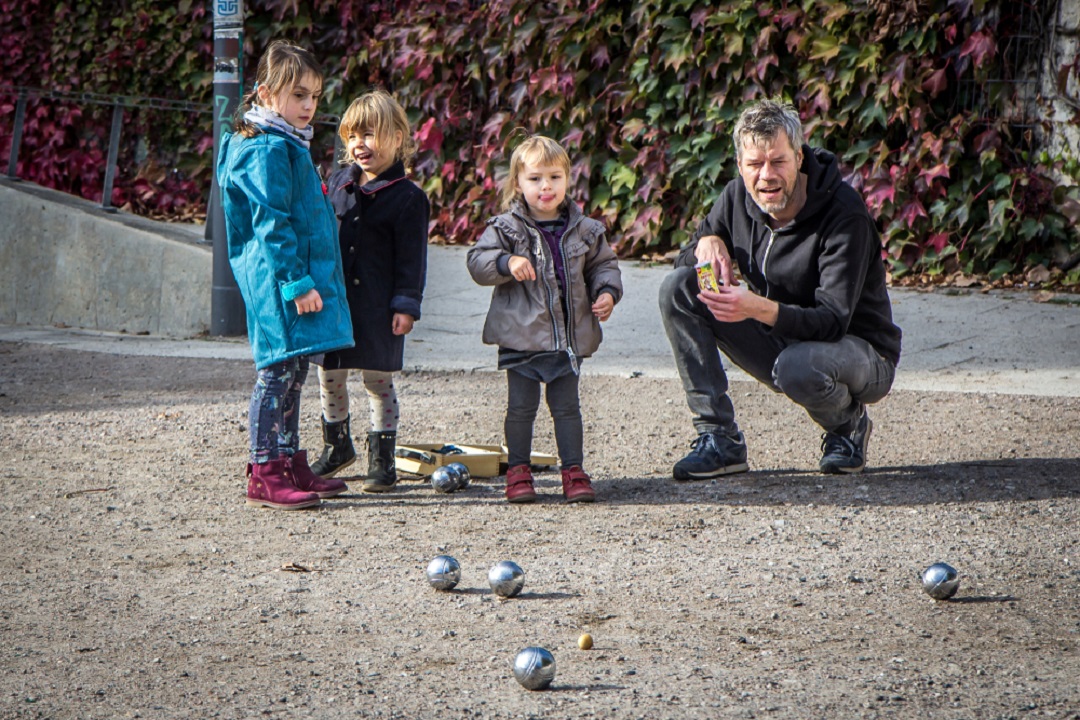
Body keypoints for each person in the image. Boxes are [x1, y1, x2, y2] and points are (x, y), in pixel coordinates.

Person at [658, 98, 902, 479]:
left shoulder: (844, 215)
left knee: (798, 366)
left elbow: (832, 322)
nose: (766, 176)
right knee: (678, 288)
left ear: (800, 158)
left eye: (778, 161)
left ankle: (847, 426)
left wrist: (755, 308)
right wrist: (705, 244)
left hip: (858, 352)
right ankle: (719, 439)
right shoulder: (738, 195)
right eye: (754, 164)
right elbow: (686, 262)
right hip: (781, 334)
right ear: (740, 166)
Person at [217, 40, 354, 510]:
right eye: (299, 95)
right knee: (275, 371)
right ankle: (263, 470)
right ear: (265, 92)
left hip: (290, 277)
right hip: (277, 280)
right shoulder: (264, 148)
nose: (309, 105)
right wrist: (296, 282)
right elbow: (271, 223)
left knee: (294, 368)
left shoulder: (283, 143)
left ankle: (289, 460)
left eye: (314, 96)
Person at [467, 134, 623, 504]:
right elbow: (477, 261)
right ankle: (519, 470)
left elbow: (605, 266)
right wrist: (507, 262)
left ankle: (573, 469)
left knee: (567, 408)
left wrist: (607, 294)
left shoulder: (586, 230)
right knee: (521, 408)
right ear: (518, 183)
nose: (546, 186)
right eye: (535, 178)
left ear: (568, 179)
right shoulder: (506, 228)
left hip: (566, 340)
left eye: (554, 177)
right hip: (521, 338)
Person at [310, 90, 430, 493]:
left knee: (378, 380)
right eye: (352, 136)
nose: (360, 144)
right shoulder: (339, 180)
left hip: (378, 303)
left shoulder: (409, 198)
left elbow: (412, 259)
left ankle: (383, 459)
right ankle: (337, 445)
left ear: (397, 138)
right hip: (336, 300)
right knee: (330, 374)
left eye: (370, 135)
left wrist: (406, 305)